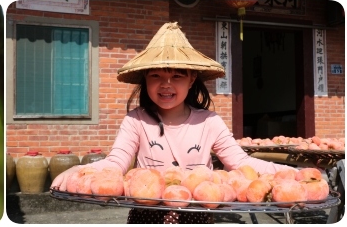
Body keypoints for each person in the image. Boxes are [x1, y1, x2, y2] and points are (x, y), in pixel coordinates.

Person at [50, 23, 300, 224]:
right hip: (146, 215)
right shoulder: (136, 120)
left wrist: (291, 174)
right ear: (145, 80)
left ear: (192, 79)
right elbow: (117, 162)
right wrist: (81, 171)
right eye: (156, 75)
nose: (166, 84)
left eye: (177, 76)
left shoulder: (209, 122)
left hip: (198, 215)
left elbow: (242, 163)